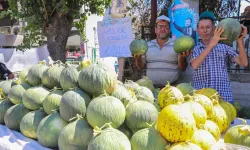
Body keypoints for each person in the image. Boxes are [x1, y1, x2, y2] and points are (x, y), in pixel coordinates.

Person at [190, 11, 248, 103]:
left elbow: (243, 62)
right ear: (198, 30)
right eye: (202, 28)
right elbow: (194, 65)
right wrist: (211, 45)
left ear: (214, 29)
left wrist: (240, 41)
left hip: (224, 98)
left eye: (208, 27)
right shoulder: (196, 49)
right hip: (202, 100)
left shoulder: (224, 48)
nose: (205, 30)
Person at [133, 15, 191, 88]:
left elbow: (183, 68)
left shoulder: (177, 45)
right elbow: (141, 67)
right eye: (160, 26)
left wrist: (182, 58)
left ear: (169, 30)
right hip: (150, 88)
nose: (162, 29)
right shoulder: (147, 45)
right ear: (155, 30)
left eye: (166, 27)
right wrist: (138, 58)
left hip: (171, 88)